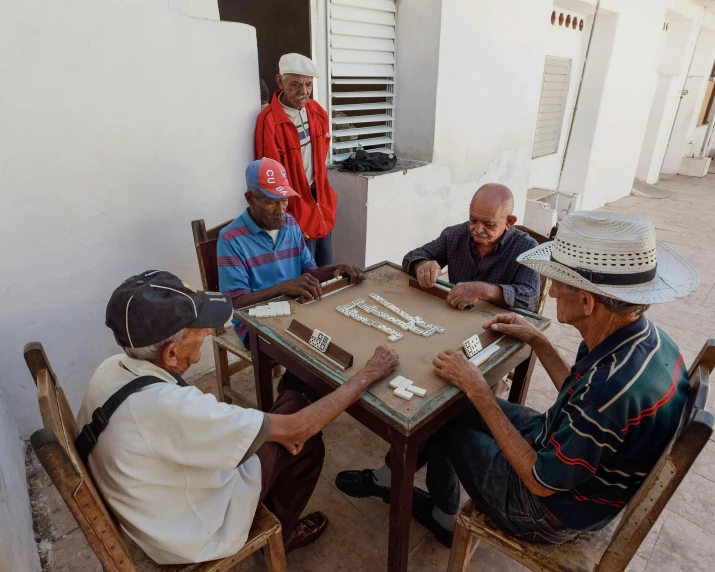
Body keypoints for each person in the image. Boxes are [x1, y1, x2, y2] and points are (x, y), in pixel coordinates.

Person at [337, 211, 698, 548]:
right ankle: (391, 478)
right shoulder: (642, 339)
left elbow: (540, 481)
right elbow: (576, 392)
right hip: (564, 449)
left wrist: (479, 389)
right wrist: (538, 340)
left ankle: (442, 516)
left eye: (559, 284)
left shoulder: (611, 389)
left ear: (587, 302)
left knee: (440, 420)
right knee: (454, 404)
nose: (551, 292)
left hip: (549, 510)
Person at [77, 270, 399, 565]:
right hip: (191, 532)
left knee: (290, 402)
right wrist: (367, 375)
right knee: (305, 439)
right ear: (171, 353)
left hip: (155, 500)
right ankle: (280, 535)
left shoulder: (109, 370)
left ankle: (280, 447)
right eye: (197, 329)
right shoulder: (174, 408)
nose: (206, 331)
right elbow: (298, 429)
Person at [403, 183, 541, 312]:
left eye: (489, 224)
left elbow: (531, 298)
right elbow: (412, 256)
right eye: (473, 220)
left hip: (497, 323)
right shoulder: (455, 234)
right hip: (456, 313)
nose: (478, 229)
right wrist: (422, 265)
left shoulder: (527, 247)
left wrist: (485, 291)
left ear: (509, 222)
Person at [255, 53, 336, 267]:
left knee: (327, 270)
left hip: (321, 205)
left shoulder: (318, 113)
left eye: (308, 84)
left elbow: (320, 164)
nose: (304, 92)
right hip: (295, 210)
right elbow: (270, 182)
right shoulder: (269, 121)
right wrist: (285, 217)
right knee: (305, 277)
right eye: (295, 85)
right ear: (280, 81)